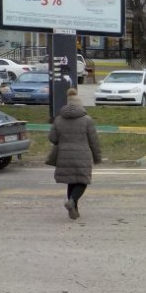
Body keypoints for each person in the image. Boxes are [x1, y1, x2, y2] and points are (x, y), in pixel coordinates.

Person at [49, 88, 102, 220]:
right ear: (80, 105)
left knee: (71, 182)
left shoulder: (59, 119)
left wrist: (63, 141)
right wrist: (97, 157)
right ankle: (72, 201)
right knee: (82, 181)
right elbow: (93, 141)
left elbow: (52, 138)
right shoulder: (87, 120)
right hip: (82, 156)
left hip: (64, 156)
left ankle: (74, 209)